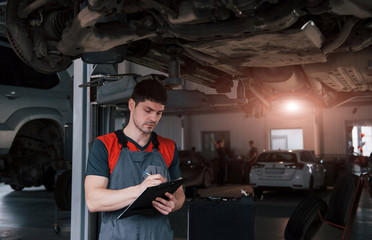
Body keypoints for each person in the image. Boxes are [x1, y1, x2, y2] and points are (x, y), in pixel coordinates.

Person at [84, 79, 185, 240]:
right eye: (148, 110)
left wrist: (174, 204)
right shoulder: (104, 145)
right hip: (118, 236)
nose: (154, 118)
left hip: (158, 235)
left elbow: (179, 193)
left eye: (159, 113)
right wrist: (139, 191)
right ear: (132, 105)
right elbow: (93, 201)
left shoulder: (169, 147)